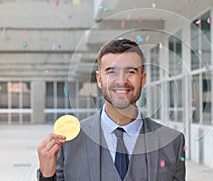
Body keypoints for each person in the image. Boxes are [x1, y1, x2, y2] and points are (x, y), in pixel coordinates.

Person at [37, 38, 186, 181]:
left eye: (131, 71)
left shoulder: (172, 142)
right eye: (111, 71)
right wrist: (47, 176)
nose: (121, 80)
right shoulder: (68, 142)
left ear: (143, 79)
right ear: (99, 80)